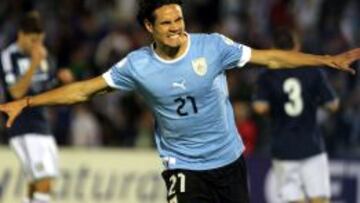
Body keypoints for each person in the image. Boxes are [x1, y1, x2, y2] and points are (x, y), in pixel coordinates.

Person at [0, 1, 359, 202]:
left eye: (180, 18)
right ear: (149, 27)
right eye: (167, 22)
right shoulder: (136, 65)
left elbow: (273, 58)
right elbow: (83, 90)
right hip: (183, 165)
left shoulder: (214, 46)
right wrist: (28, 102)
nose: (176, 26)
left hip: (229, 160)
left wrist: (326, 60)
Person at [252, 28, 339, 203]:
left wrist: (277, 108)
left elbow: (259, 107)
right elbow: (333, 104)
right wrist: (313, 102)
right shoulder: (313, 71)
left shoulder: (267, 75)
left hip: (283, 147)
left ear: (274, 48)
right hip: (311, 144)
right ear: (297, 46)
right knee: (320, 200)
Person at [0, 11, 69, 203]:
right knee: (43, 184)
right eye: (32, 40)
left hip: (43, 127)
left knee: (36, 185)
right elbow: (15, 92)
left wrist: (60, 80)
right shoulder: (9, 56)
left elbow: (45, 88)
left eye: (39, 40)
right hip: (23, 127)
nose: (36, 45)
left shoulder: (43, 55)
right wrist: (33, 64)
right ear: (21, 35)